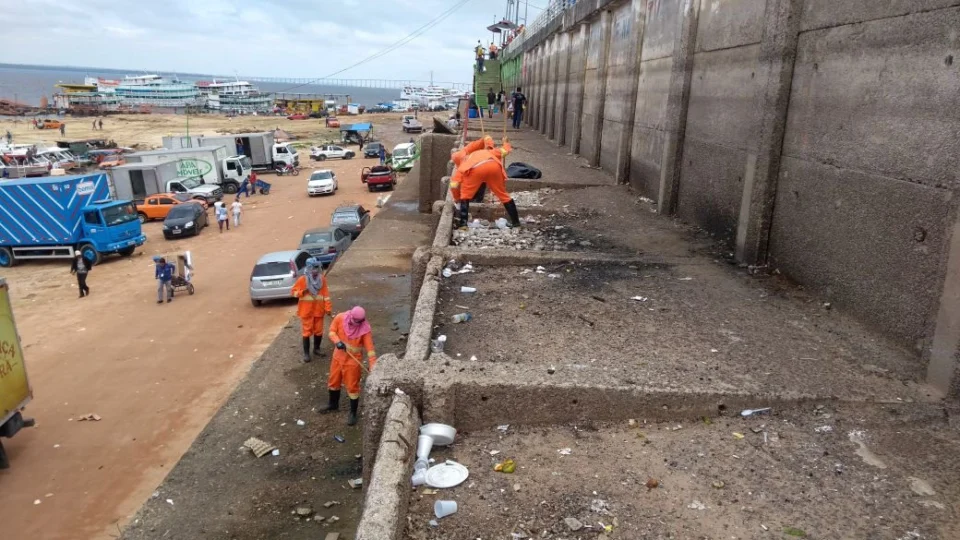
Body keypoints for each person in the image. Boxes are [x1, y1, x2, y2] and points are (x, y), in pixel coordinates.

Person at [324, 306, 376, 425]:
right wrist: (337, 341)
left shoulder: (365, 329)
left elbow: (370, 350)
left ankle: (353, 413)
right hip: (337, 357)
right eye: (354, 321)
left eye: (358, 322)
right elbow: (331, 332)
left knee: (352, 387)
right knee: (333, 381)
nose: (355, 323)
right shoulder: (340, 318)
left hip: (352, 362)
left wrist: (373, 366)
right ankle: (333, 405)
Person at [458, 137, 521, 228]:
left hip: (476, 169)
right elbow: (504, 151)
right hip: (494, 167)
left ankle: (463, 224)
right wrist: (506, 142)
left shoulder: (471, 155)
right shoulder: (492, 152)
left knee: (465, 195)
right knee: (503, 194)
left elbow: (462, 172)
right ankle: (516, 222)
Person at [291, 257, 332, 363]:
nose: (316, 270)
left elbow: (326, 295)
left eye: (317, 267)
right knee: (306, 332)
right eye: (313, 268)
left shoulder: (322, 279)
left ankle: (316, 349)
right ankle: (306, 354)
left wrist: (328, 308)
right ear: (309, 268)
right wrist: (302, 292)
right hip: (306, 311)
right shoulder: (302, 280)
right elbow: (293, 292)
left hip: (319, 310)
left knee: (319, 331)